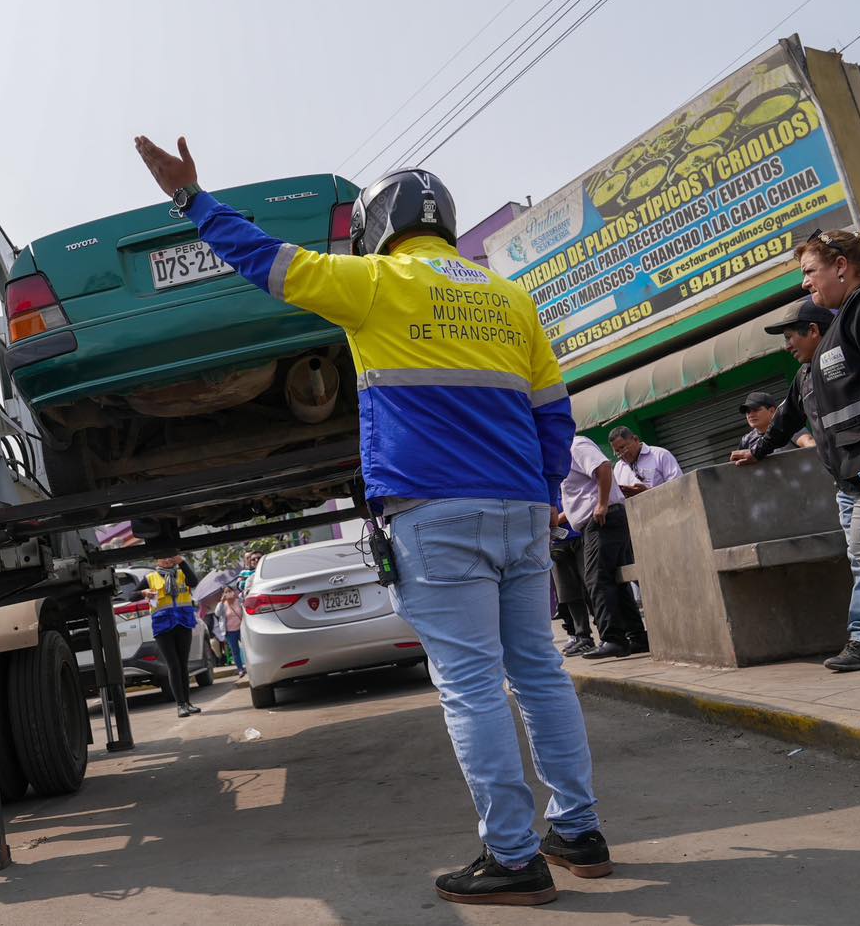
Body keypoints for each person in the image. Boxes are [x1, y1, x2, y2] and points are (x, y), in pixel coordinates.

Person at [136, 136, 609, 906]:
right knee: (540, 671)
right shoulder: (510, 298)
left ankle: (515, 855)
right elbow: (553, 414)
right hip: (523, 509)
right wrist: (542, 492)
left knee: (471, 687)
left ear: (376, 224)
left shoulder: (375, 282)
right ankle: (580, 832)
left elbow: (267, 261)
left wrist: (193, 200)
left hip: (436, 510)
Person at [732, 227, 860, 705]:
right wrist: (760, 448)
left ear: (841, 267)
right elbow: (791, 413)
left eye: (810, 271)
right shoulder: (846, 320)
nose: (806, 283)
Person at [559, 435, 648, 658]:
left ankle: (613, 639)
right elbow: (579, 498)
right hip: (594, 522)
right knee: (615, 580)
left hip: (602, 519)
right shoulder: (560, 456)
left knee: (596, 578)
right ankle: (636, 636)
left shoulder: (575, 445)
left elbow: (604, 467)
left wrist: (601, 504)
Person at [144, 554, 203, 717]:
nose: (167, 559)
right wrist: (144, 591)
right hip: (163, 626)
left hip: (183, 622)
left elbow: (194, 582)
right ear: (157, 559)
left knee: (183, 665)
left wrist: (182, 562)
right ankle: (180, 705)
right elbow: (131, 595)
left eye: (171, 557)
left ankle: (188, 702)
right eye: (164, 557)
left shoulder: (182, 573)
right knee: (174, 665)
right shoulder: (150, 577)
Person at [550, 521, 593, 656]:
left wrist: (553, 520)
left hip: (581, 535)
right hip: (557, 542)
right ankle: (582, 636)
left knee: (592, 587)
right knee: (568, 594)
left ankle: (608, 635)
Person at [607, 427, 682, 497]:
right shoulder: (618, 468)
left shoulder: (660, 455)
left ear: (636, 439)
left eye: (622, 447)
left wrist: (647, 493)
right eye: (617, 451)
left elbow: (678, 486)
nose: (622, 454)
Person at [739, 391, 816, 451]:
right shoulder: (746, 440)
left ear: (772, 411)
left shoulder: (789, 427)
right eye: (748, 411)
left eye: (755, 410)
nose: (750, 415)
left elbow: (810, 443)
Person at [217, 586, 246, 678]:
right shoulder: (223, 604)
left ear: (233, 591)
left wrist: (238, 597)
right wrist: (221, 601)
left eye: (230, 591)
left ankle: (250, 666)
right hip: (230, 632)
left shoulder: (239, 601)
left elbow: (246, 607)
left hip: (242, 629)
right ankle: (240, 669)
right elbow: (217, 613)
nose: (228, 593)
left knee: (247, 648)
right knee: (235, 651)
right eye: (226, 592)